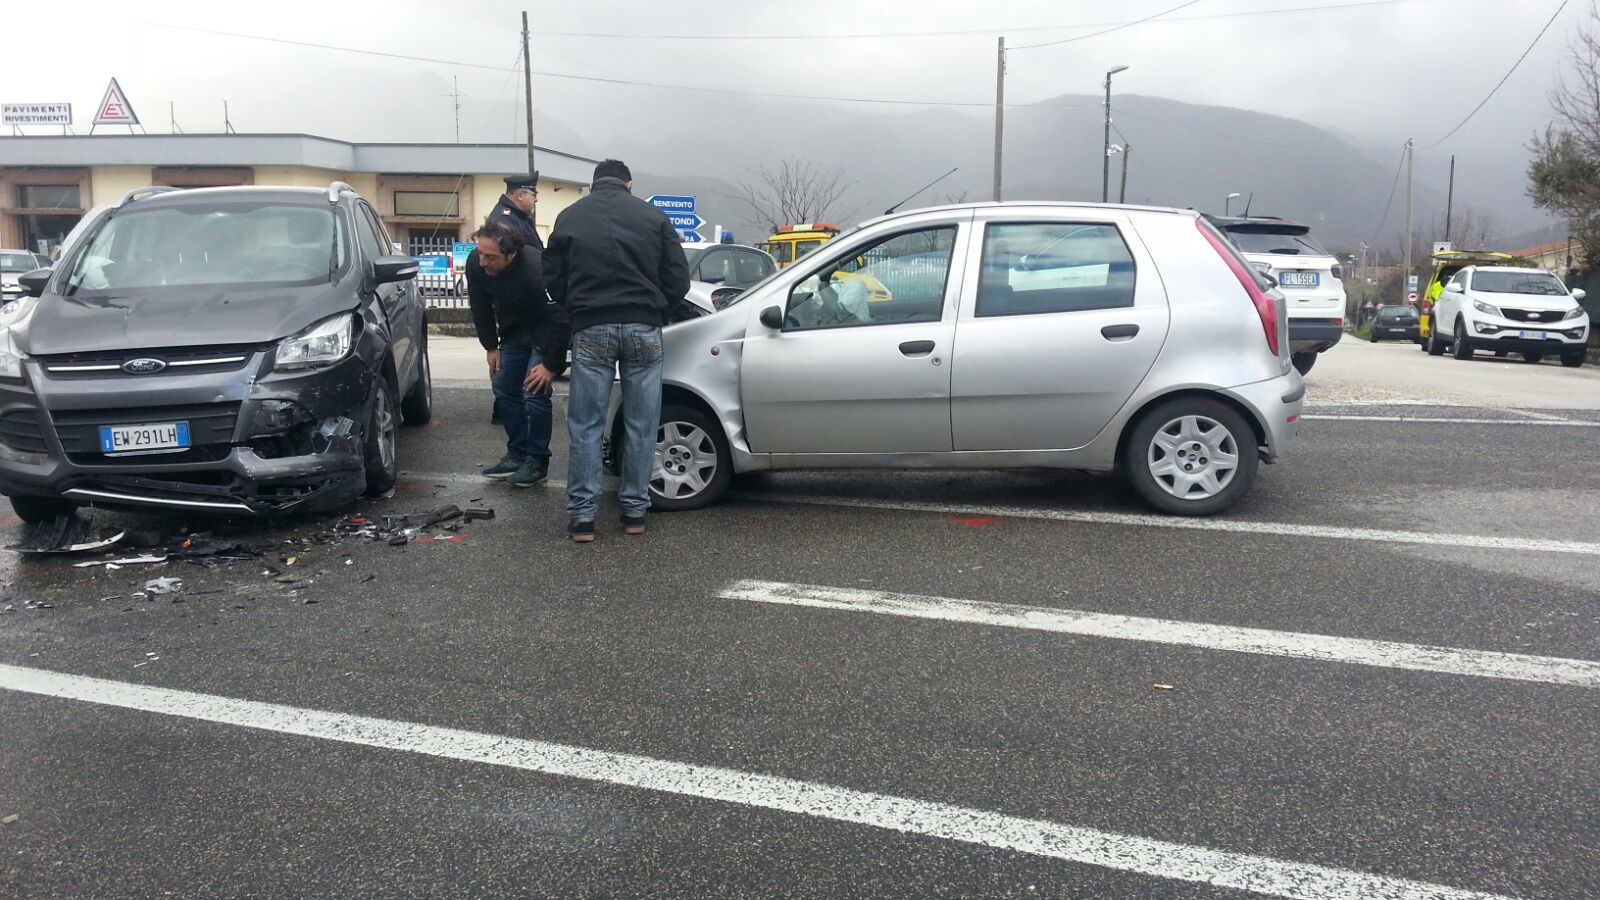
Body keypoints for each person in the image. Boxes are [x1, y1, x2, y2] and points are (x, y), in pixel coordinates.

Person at [544, 159, 689, 543]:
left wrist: (575, 308)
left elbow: (553, 278)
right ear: (629, 183)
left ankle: (582, 519)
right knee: (642, 425)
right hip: (644, 326)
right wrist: (658, 310)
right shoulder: (653, 217)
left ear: (593, 185)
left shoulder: (569, 217)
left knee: (586, 426)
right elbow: (678, 278)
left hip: (591, 326)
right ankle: (634, 512)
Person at [465, 220, 568, 488]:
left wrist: (551, 365)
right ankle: (517, 453)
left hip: (544, 330)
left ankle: (537, 460)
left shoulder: (537, 269)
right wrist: (490, 346)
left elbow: (560, 318)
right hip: (512, 330)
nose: (483, 262)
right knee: (503, 385)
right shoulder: (477, 264)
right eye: (481, 254)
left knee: (534, 391)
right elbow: (479, 305)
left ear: (511, 255)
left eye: (491, 257)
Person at [491, 174, 543, 251]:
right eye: (534, 195)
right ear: (521, 196)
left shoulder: (518, 216)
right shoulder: (505, 219)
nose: (536, 200)